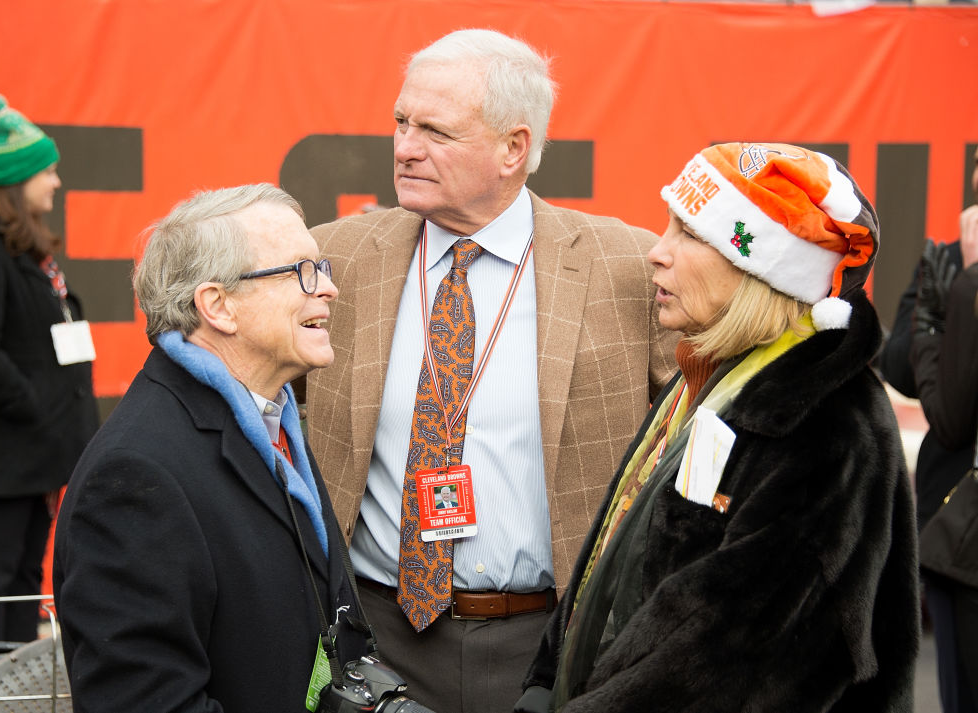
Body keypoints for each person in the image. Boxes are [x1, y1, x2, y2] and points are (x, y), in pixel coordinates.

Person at [305, 28, 676, 713]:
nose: (405, 146)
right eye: (401, 121)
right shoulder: (334, 259)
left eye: (435, 131)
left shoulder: (628, 266)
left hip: (551, 646)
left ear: (515, 147)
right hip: (374, 640)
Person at [518, 142, 920, 713]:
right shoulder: (710, 378)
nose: (657, 253)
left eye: (690, 235)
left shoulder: (824, 425)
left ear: (762, 270)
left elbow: (735, 662)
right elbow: (616, 550)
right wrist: (545, 678)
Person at [53, 184, 373, 712]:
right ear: (218, 306)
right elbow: (145, 701)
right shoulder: (133, 476)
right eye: (300, 272)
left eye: (323, 268)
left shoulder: (268, 417)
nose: (328, 290)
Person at [0, 91, 98, 646]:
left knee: (20, 578)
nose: (57, 183)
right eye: (49, 172)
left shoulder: (22, 245)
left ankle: (5, 695)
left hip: (34, 454)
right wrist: (36, 408)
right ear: (19, 179)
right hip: (2, 456)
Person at [883, 144, 978, 713]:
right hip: (951, 520)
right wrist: (934, 330)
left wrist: (943, 327)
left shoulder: (960, 278)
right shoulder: (944, 260)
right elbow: (899, 363)